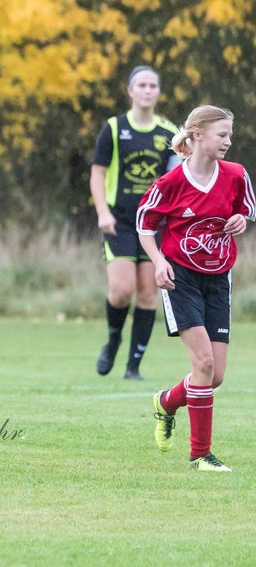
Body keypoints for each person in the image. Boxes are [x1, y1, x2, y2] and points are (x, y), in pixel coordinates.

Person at [137, 105, 254, 472]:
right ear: (198, 135)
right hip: (180, 279)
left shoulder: (235, 175)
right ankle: (200, 455)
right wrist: (158, 262)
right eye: (222, 135)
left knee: (215, 376)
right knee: (202, 364)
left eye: (229, 135)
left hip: (219, 278)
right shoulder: (169, 184)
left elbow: (245, 211)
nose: (228, 142)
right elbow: (144, 224)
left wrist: (239, 220)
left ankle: (167, 402)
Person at [89, 65, 179, 379]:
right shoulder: (113, 128)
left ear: (158, 91)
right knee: (121, 290)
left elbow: (177, 178)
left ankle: (133, 367)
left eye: (153, 85)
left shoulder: (169, 132)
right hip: (121, 221)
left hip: (155, 224)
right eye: (141, 84)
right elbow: (98, 173)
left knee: (147, 294)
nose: (147, 90)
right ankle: (113, 339)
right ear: (130, 90)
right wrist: (103, 211)